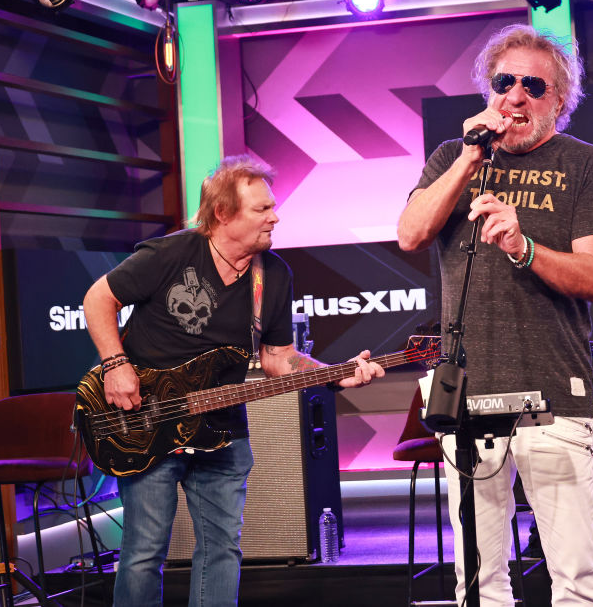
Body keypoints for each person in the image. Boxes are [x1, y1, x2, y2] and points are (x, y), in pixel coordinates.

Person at [83, 155, 385, 607]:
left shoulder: (274, 274)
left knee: (222, 550)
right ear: (223, 214)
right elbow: (97, 298)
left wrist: (337, 377)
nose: (275, 216)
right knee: (145, 552)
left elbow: (279, 359)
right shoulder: (170, 254)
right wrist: (115, 366)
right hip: (146, 421)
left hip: (222, 430)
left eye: (272, 207)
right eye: (262, 209)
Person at [397, 24, 593, 607]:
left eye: (533, 86)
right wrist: (469, 159)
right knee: (478, 583)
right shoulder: (454, 157)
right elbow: (410, 234)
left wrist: (524, 247)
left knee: (574, 578)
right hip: (467, 397)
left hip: (555, 396)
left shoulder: (587, 164)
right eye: (504, 82)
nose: (515, 96)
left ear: (559, 101)